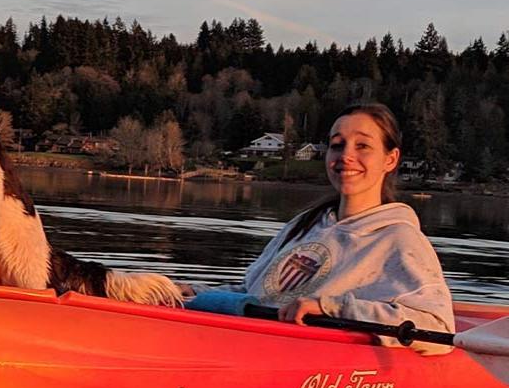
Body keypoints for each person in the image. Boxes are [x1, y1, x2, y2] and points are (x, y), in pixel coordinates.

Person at [187, 103, 454, 354]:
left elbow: (437, 329)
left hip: (305, 365)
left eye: (362, 146)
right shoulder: (304, 225)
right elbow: (253, 296)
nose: (346, 156)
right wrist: (195, 293)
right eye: (337, 145)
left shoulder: (400, 239)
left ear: (390, 159)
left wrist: (331, 309)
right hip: (251, 348)